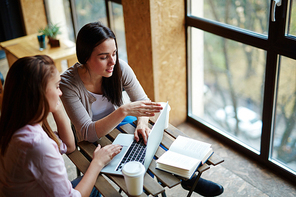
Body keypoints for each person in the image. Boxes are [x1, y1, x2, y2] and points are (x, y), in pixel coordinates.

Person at [60, 22, 223, 196]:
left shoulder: (119, 67)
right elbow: (87, 132)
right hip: (92, 138)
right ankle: (179, 178)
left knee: (149, 141)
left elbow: (143, 101)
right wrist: (123, 111)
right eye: (103, 57)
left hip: (122, 123)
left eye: (114, 53)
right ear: (85, 57)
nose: (112, 61)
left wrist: (142, 124)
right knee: (142, 157)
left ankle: (186, 176)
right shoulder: (68, 84)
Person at [0, 55, 122, 197]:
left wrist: (56, 107)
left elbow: (68, 146)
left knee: (92, 184)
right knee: (97, 181)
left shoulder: (16, 125)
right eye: (57, 86)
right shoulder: (36, 144)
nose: (60, 92)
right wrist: (97, 162)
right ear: (39, 93)